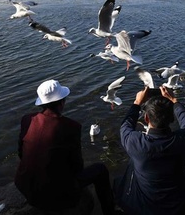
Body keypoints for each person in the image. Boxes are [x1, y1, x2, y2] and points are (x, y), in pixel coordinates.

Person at [14, 79, 116, 215]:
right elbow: (77, 167)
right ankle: (110, 212)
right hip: (54, 197)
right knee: (100, 170)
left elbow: (21, 153)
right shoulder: (71, 127)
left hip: (24, 186)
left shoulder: (27, 119)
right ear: (62, 102)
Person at [114, 86, 185, 215]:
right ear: (171, 118)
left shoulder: (136, 143)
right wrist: (173, 100)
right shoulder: (184, 139)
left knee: (127, 170)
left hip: (146, 209)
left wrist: (137, 103)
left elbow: (125, 126)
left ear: (146, 119)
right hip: (182, 206)